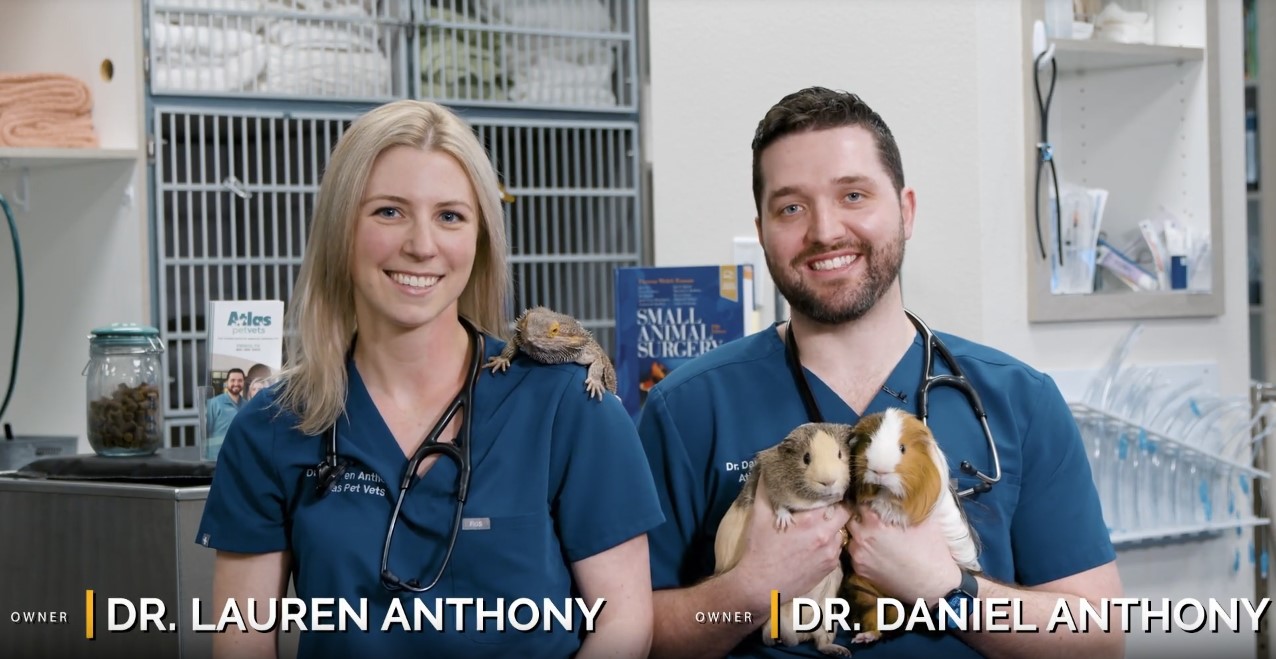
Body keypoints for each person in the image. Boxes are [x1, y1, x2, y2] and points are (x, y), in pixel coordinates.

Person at [637, 87, 1124, 658]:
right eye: (791, 207)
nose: (824, 231)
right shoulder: (688, 408)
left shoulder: (1020, 400)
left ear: (906, 209)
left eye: (853, 195)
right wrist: (747, 590)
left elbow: (1098, 638)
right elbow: (629, 632)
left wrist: (947, 588)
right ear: (764, 228)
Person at [195, 99, 663, 658]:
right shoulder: (269, 429)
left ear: (479, 239)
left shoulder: (569, 406)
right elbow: (242, 643)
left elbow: (624, 626)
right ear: (341, 230)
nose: (421, 245)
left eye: (450, 216)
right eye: (389, 211)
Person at [204, 367, 245, 442]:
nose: (236, 383)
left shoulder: (247, 405)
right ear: (226, 383)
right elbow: (206, 432)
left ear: (243, 382)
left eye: (240, 380)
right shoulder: (214, 403)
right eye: (232, 380)